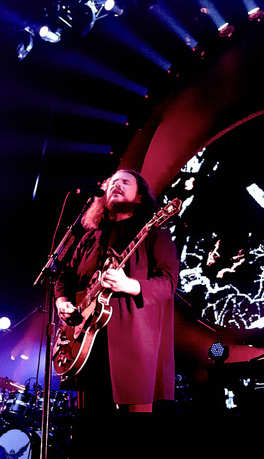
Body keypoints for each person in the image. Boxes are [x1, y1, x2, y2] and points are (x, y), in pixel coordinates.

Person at [54, 168, 178, 413]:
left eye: (125, 182)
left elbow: (168, 282)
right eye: (112, 181)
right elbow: (64, 276)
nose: (117, 185)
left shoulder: (154, 231)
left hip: (132, 343)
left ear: (140, 197)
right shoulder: (91, 236)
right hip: (86, 344)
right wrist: (62, 301)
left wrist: (130, 285)